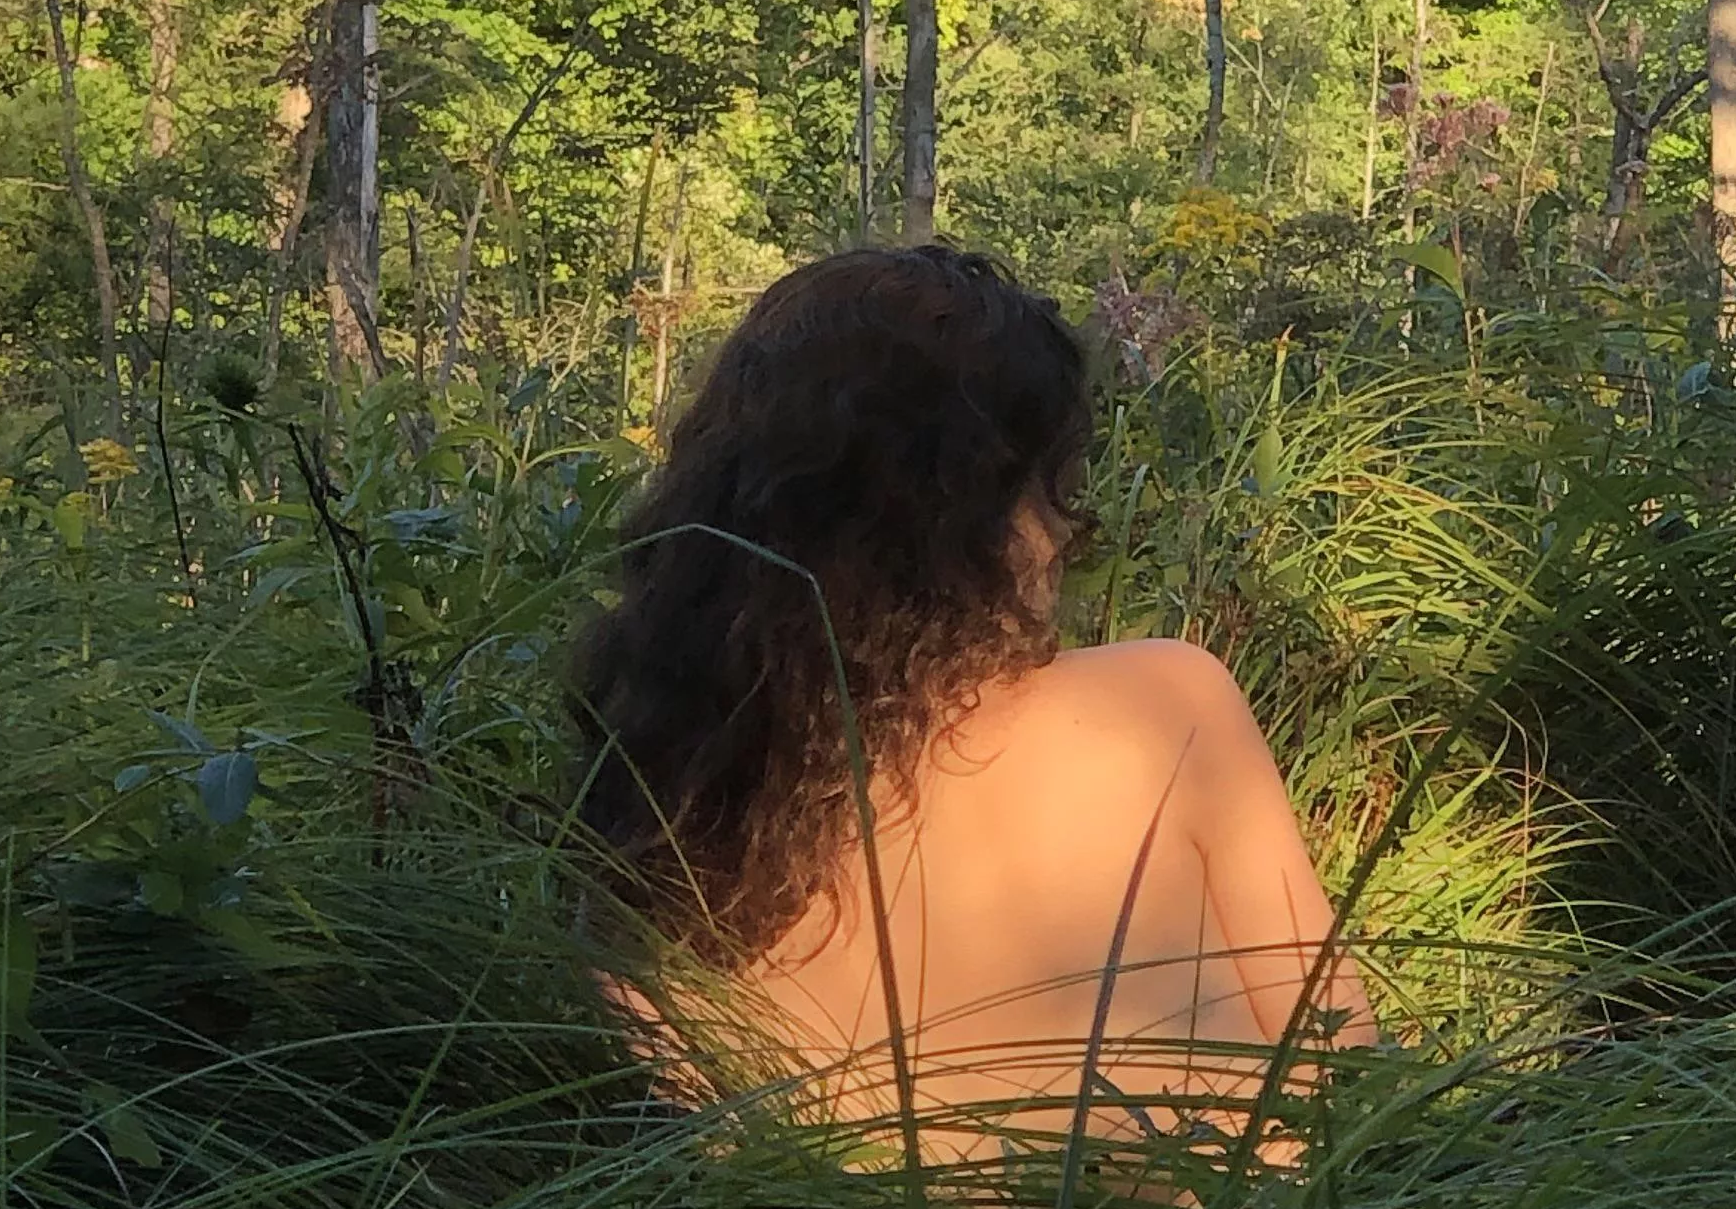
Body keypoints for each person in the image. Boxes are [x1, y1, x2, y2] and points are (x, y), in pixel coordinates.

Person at [569, 244, 1376, 1154]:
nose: (1068, 530)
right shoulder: (1164, 707)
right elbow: (1346, 1072)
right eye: (1052, 488)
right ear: (978, 519)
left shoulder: (665, 825)